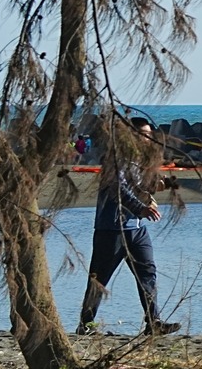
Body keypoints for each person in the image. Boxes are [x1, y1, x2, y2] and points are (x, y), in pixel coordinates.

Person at [76, 116, 179, 336]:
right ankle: (86, 324)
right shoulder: (116, 157)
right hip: (111, 228)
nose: (146, 139)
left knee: (147, 273)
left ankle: (154, 322)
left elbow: (142, 185)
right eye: (142, 134)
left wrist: (163, 184)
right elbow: (118, 188)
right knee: (99, 279)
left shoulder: (139, 160)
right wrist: (141, 208)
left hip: (136, 229)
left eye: (149, 135)